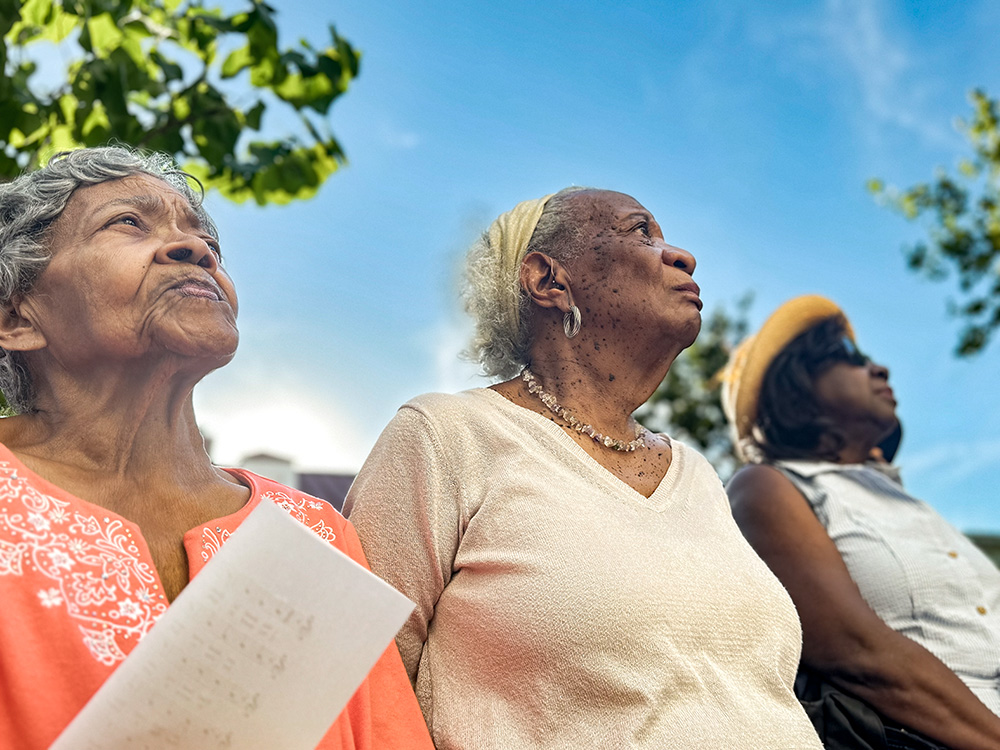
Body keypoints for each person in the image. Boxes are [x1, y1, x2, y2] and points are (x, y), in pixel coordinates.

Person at [344, 188, 823, 748]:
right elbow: (359, 685)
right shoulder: (444, 436)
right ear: (549, 280)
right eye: (640, 232)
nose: (682, 256)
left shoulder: (696, 474)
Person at [0, 147, 433, 750]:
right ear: (16, 317)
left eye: (207, 241)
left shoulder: (313, 532)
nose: (197, 249)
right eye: (128, 222)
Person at [722, 294, 1000, 750]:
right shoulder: (767, 488)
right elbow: (856, 654)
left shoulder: (911, 503)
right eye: (847, 358)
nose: (880, 370)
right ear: (794, 389)